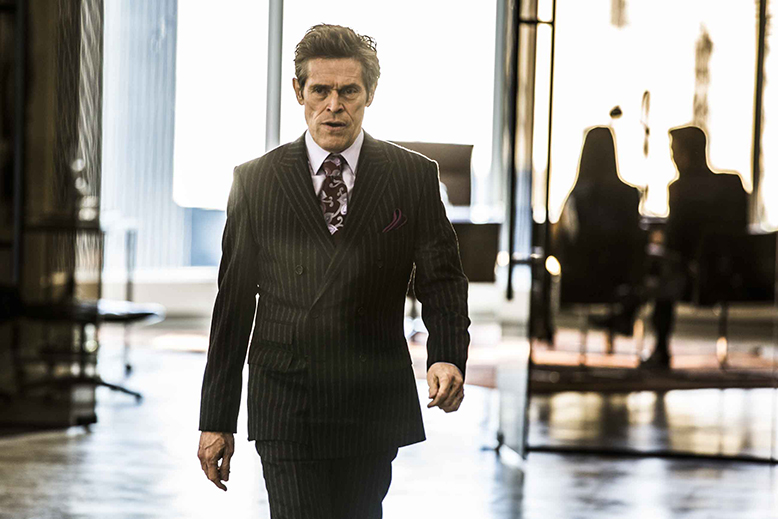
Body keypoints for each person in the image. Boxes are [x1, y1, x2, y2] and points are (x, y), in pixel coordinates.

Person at [197, 24, 470, 518]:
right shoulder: (255, 181)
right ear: (299, 92)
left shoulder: (412, 175)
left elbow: (442, 278)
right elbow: (232, 303)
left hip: (370, 395)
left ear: (370, 94)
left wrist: (446, 355)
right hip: (287, 397)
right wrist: (216, 419)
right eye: (320, 90)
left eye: (349, 91)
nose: (334, 106)